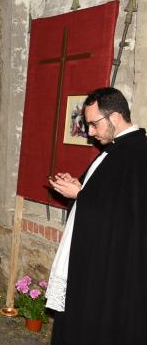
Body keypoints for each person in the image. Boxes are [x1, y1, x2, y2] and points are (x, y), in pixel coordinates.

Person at [46, 87, 147, 344]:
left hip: (113, 269)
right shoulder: (112, 151)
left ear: (114, 117)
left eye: (93, 124)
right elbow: (102, 194)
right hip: (92, 259)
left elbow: (129, 215)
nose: (90, 132)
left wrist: (81, 196)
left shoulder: (137, 154)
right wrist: (77, 188)